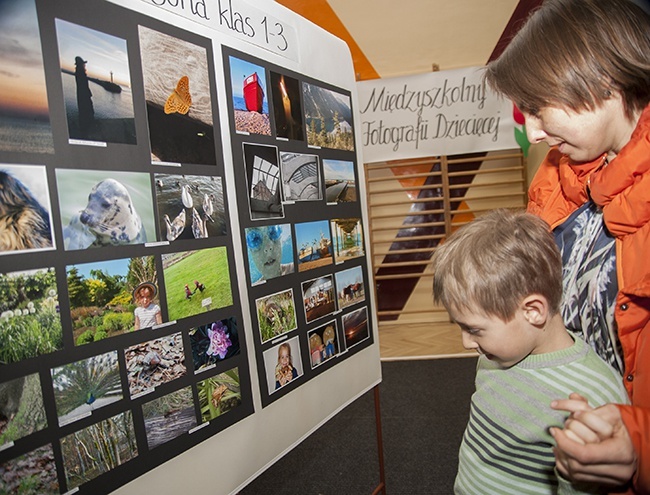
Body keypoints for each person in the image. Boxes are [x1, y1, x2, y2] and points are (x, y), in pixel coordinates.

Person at [484, 0, 650, 492]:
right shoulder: (558, 171)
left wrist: (638, 445)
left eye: (538, 107)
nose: (533, 131)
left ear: (602, 78)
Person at [431, 209, 629, 494]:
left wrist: (578, 476)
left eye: (473, 329)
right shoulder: (495, 356)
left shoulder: (597, 399)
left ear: (533, 311)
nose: (466, 343)